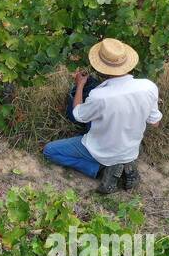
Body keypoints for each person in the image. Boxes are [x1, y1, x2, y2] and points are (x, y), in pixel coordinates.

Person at [42, 38, 161, 194]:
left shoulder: (99, 96)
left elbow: (78, 114)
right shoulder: (148, 86)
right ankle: (126, 165)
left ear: (101, 67)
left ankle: (101, 170)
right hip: (131, 148)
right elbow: (155, 122)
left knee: (50, 151)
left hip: (103, 151)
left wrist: (80, 86)